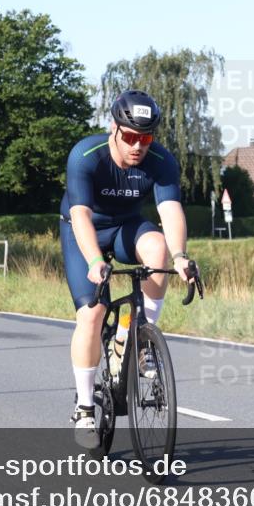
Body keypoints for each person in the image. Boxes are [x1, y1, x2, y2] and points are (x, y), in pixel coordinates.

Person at [60, 90, 194, 448]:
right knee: (92, 312)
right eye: (131, 137)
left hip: (125, 227)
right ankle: (86, 406)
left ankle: (142, 338)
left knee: (159, 248)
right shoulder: (85, 156)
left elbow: (170, 211)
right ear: (114, 128)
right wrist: (93, 261)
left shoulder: (161, 160)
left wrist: (180, 256)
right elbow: (79, 214)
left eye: (145, 138)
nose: (137, 146)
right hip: (84, 231)